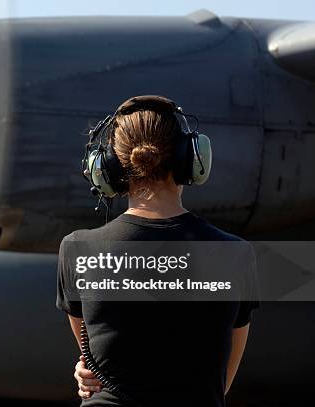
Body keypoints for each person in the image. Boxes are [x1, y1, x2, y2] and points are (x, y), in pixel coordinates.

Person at [56, 95, 259, 407]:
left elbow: (95, 361)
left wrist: (89, 371)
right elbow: (221, 381)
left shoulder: (77, 250)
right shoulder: (235, 255)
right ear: (190, 159)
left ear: (108, 167)